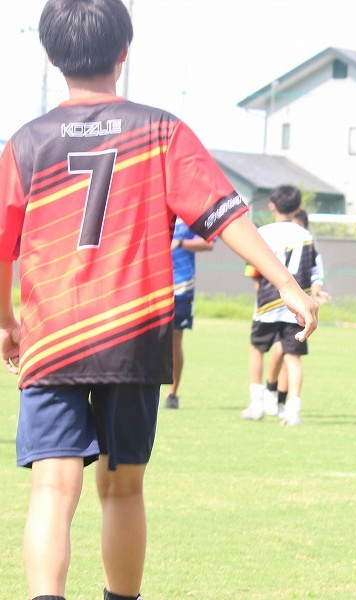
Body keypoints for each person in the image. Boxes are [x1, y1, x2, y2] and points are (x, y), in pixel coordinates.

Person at [0, 2, 317, 600]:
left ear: (50, 53)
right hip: (131, 337)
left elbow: (1, 245)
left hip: (53, 336)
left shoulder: (25, 143)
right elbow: (225, 215)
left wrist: (7, 321)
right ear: (125, 51)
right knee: (123, 489)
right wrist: (287, 284)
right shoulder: (161, 132)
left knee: (51, 490)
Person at [240, 188, 320, 426]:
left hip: (268, 301)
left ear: (271, 206)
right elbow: (313, 268)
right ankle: (293, 410)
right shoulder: (305, 235)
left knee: (257, 349)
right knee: (293, 357)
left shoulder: (262, 233)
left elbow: (253, 268)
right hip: (296, 306)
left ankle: (257, 404)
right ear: (297, 208)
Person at [263, 209, 331, 418]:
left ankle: (289, 405)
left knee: (291, 355)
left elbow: (317, 273)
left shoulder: (308, 246)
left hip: (298, 311)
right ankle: (271, 390)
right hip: (274, 307)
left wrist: (316, 290)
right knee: (278, 351)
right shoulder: (276, 243)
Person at [165, 217, 214, 410]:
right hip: (151, 282)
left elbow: (208, 243)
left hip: (181, 285)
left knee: (175, 338)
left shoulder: (187, 214)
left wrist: (180, 243)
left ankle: (172, 392)